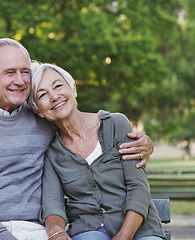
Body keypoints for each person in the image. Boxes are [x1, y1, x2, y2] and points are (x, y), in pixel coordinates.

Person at [0, 38, 154, 240]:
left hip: (34, 229)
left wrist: (144, 144)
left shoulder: (42, 115)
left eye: (25, 72)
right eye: (9, 73)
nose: (20, 80)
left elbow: (80, 124)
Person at [27, 61, 166, 240]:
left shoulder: (116, 124)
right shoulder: (52, 152)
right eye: (43, 94)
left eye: (58, 86)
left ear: (73, 89)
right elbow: (53, 204)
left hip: (140, 229)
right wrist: (57, 232)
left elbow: (138, 187)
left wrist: (124, 236)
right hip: (88, 230)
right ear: (38, 110)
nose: (54, 96)